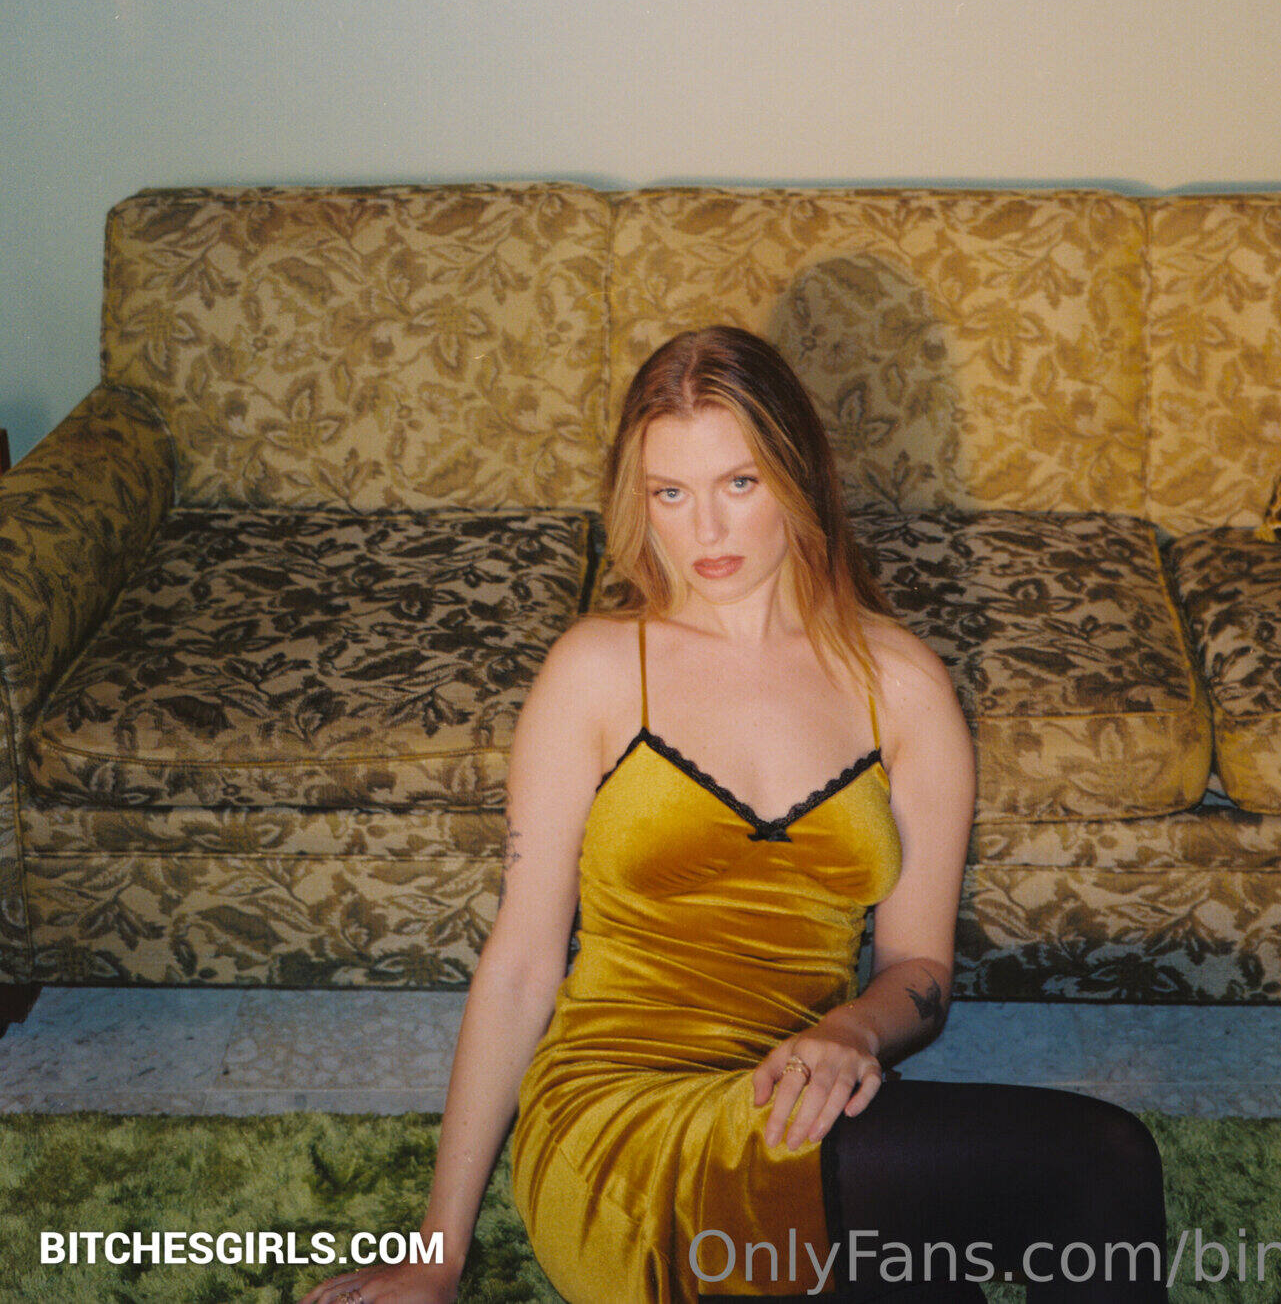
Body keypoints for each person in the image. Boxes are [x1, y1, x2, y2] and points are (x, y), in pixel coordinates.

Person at [301, 326, 1167, 1304]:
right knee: (1097, 1160)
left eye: (738, 483)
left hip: (794, 1101)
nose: (704, 529)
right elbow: (521, 965)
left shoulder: (903, 685)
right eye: (669, 492)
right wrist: (437, 1253)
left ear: (797, 477)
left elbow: (919, 969)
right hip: (619, 1121)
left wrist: (853, 1029)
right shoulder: (596, 669)